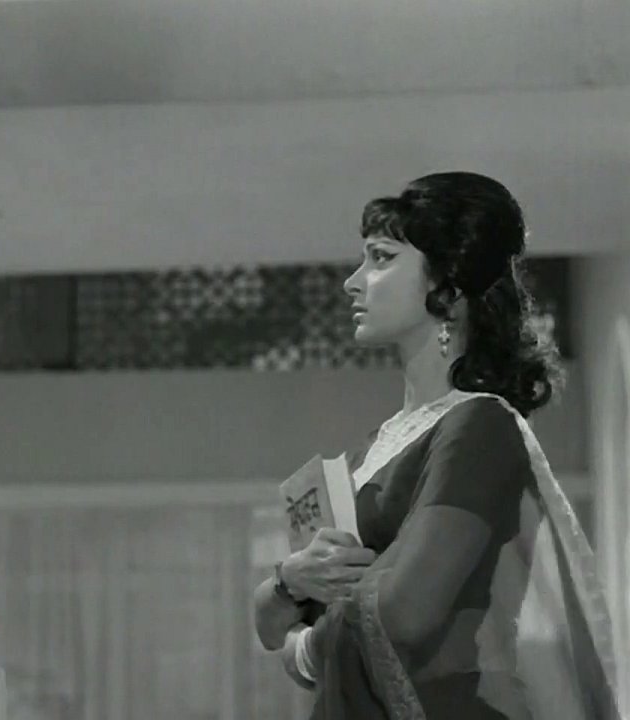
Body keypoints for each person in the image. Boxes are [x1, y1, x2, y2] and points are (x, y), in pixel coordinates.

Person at [253, 172, 625, 719]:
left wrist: (304, 645)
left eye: (381, 259)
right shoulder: (374, 449)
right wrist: (290, 581)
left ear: (448, 289)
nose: (353, 282)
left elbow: (406, 612)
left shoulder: (479, 426)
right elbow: (270, 627)